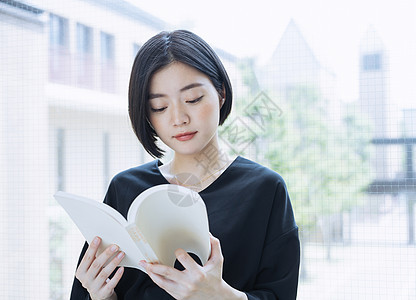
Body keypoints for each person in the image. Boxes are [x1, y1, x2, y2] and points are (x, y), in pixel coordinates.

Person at [70, 30, 300, 300]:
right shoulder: (125, 188)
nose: (178, 118)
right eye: (159, 107)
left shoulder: (265, 189)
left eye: (193, 100)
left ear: (221, 94)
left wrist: (220, 295)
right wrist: (101, 297)